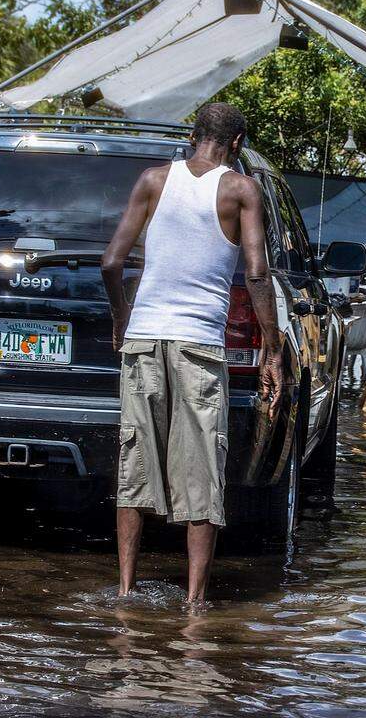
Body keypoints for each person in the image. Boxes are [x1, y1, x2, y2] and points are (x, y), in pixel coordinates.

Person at [101, 102, 283, 606]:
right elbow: (256, 273)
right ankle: (195, 602)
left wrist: (122, 318)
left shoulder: (153, 181)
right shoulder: (241, 189)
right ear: (238, 144)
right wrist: (271, 349)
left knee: (135, 464)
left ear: (193, 134)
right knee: (202, 470)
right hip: (200, 345)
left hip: (144, 338)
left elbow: (112, 263)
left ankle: (124, 591)